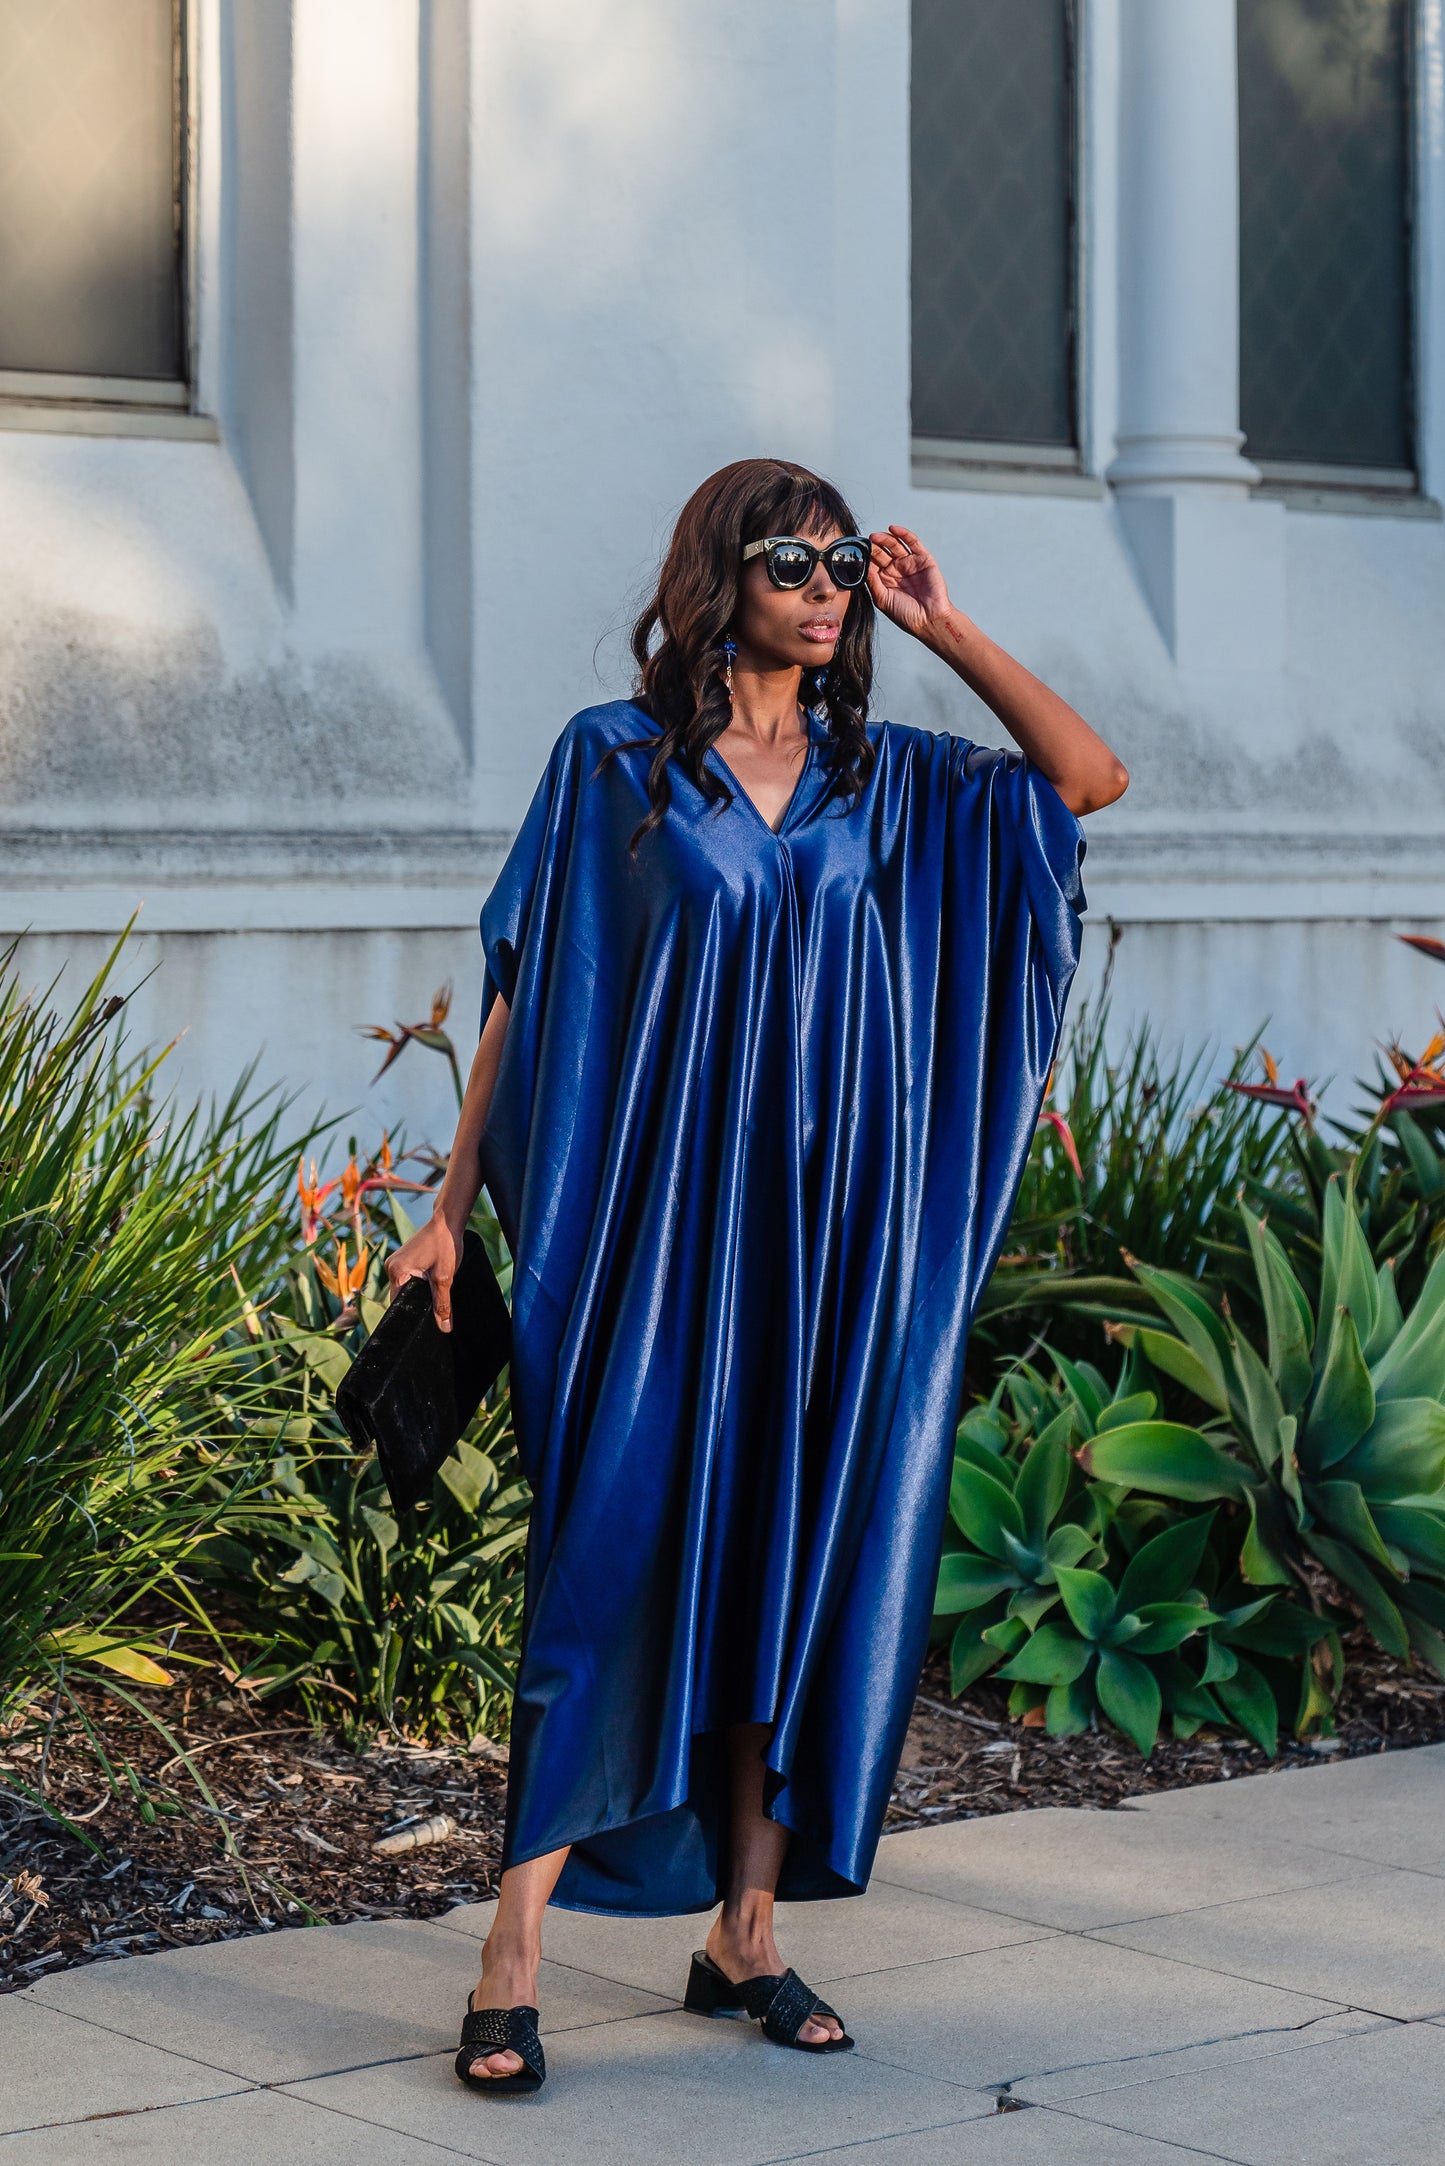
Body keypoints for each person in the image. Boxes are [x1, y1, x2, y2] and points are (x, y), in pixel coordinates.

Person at [386, 458, 1128, 2094]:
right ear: (721, 574)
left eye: (846, 563)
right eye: (795, 558)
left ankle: (747, 1932)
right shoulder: (616, 765)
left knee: (792, 1566)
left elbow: (1084, 778)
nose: (826, 586)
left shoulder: (894, 777)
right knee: (599, 1565)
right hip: (651, 1243)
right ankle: (511, 1956)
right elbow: (522, 988)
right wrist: (451, 1203)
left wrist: (945, 625)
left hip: (825, 1253)